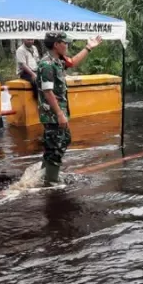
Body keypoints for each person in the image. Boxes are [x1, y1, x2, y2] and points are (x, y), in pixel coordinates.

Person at [37, 32, 102, 185]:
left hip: (57, 112)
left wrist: (88, 48)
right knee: (58, 144)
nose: (67, 45)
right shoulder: (46, 64)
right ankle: (50, 183)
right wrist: (59, 114)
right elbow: (47, 91)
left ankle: (44, 175)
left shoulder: (57, 61)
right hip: (52, 114)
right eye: (64, 43)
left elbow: (72, 62)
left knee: (57, 142)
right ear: (56, 44)